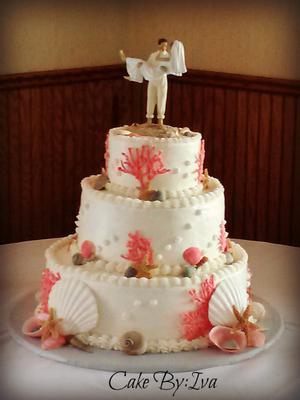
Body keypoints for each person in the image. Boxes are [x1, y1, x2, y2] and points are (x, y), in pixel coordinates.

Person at [120, 38, 186, 125]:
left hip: (161, 79)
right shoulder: (153, 55)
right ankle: (149, 119)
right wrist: (142, 66)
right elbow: (149, 65)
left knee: (161, 99)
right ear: (158, 45)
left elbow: (171, 67)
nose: (164, 47)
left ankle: (160, 120)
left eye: (166, 45)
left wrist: (166, 69)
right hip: (152, 78)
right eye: (162, 45)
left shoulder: (169, 57)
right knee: (151, 97)